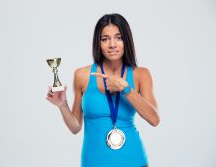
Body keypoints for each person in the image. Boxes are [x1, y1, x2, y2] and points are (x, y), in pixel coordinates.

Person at [46, 13, 160, 167]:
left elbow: (154, 119)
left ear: (127, 40)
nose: (112, 44)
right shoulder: (82, 75)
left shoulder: (141, 74)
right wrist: (62, 105)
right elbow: (75, 127)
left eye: (118, 37)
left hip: (133, 160)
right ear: (98, 43)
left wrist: (125, 88)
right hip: (93, 162)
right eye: (105, 39)